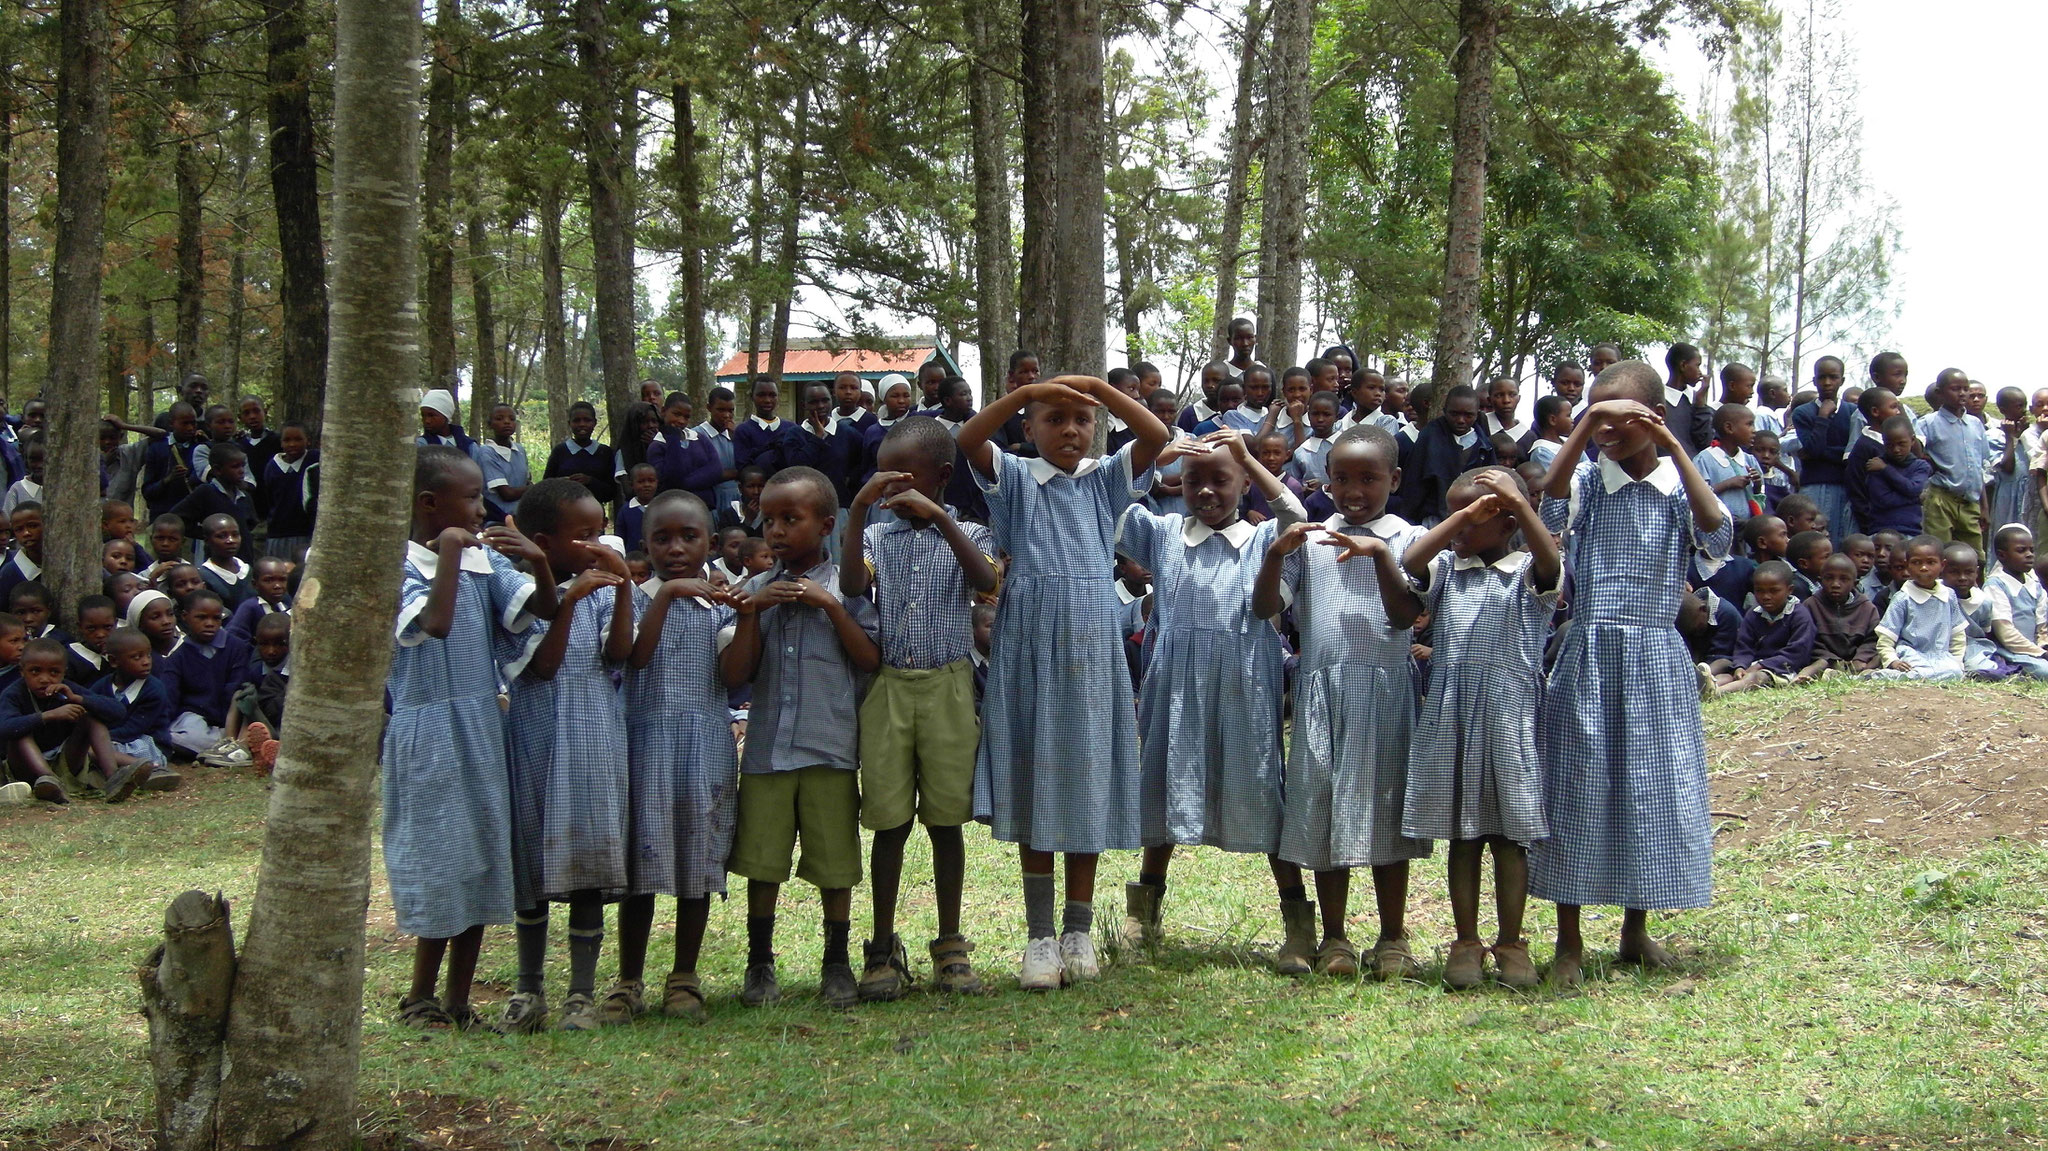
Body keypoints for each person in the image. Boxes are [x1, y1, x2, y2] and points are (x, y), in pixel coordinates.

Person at [959, 373, 1170, 990]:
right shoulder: (1016, 479)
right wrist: (1028, 393)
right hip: (1026, 641)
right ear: (1029, 428)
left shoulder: (1106, 480)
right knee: (1034, 777)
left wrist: (1099, 391)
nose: (1069, 430)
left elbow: (1155, 433)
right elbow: (967, 437)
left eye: (1081, 420)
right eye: (1053, 419)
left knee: (1084, 773)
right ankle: (1040, 938)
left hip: (1090, 644)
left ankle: (1079, 931)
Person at [1529, 360, 1731, 987]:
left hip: (1655, 657)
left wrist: (1674, 445)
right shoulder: (1588, 480)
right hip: (1589, 652)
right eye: (1595, 412)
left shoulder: (1676, 487)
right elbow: (1551, 500)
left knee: (1649, 787)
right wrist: (1584, 427)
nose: (1606, 426)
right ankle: (1568, 941)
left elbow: (1716, 533)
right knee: (1577, 785)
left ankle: (1635, 930)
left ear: (1655, 418)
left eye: (1621, 415)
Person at [1112, 431, 1302, 968]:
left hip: (1245, 689)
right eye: (1196, 481)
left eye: (1223, 480)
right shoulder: (1166, 533)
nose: (1207, 492)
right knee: (1165, 794)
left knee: (1262, 792)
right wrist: (1160, 459)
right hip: (1176, 689)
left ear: (1245, 482)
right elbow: (1113, 505)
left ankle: (1297, 923)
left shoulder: (1265, 538)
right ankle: (1143, 916)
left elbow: (1293, 515)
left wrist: (1247, 456)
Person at [384, 445, 558, 1030]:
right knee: (440, 859)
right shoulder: (399, 569)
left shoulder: (484, 563)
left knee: (484, 857)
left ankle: (458, 1002)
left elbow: (545, 607)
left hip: (483, 725)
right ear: (431, 505)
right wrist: (454, 552)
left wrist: (537, 561)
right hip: (427, 728)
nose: (482, 507)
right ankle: (419, 997)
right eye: (472, 497)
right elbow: (433, 625)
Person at [1252, 424, 1430, 980]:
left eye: (1369, 479)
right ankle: (1333, 937)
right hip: (1322, 690)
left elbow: (1406, 616)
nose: (1354, 491)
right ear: (1326, 482)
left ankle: (1393, 936)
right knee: (1324, 809)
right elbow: (1265, 609)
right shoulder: (1310, 537)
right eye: (1342, 479)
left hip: (1386, 688)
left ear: (1394, 480)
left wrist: (1378, 555)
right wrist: (1277, 556)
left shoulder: (1407, 538)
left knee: (1388, 809)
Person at [840, 418, 1000, 1000]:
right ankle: (882, 945)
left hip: (951, 686)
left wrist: (942, 520)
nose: (894, 491)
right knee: (888, 821)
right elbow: (854, 587)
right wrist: (857, 512)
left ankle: (950, 942)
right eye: (885, 479)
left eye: (906, 479)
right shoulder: (879, 538)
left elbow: (986, 581)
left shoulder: (970, 533)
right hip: (888, 688)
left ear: (943, 478)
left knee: (945, 821)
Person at [1388, 466, 1560, 989]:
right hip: (1453, 713)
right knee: (1463, 835)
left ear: (1509, 520)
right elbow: (1408, 560)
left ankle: (1511, 942)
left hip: (1509, 716)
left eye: (1477, 517)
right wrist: (1463, 516)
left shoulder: (1529, 570)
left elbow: (1553, 566)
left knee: (1510, 837)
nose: (1461, 528)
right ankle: (1465, 942)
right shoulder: (1446, 567)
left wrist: (1522, 504)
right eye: (1454, 514)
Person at [720, 466, 881, 1008]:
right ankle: (759, 963)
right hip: (767, 753)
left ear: (827, 525)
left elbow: (869, 659)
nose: (778, 532)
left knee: (835, 864)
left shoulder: (850, 587)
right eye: (769, 521)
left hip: (829, 749)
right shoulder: (755, 591)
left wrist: (830, 607)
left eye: (792, 519)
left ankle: (836, 962)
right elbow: (736, 675)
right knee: (763, 863)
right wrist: (749, 615)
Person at [494, 478, 636, 1034]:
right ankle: (528, 990)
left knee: (585, 858)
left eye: (599, 531)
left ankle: (580, 994)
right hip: (536, 732)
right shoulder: (514, 588)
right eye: (583, 535)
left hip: (595, 732)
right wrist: (569, 597)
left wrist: (622, 588)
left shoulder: (603, 587)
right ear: (541, 541)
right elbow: (544, 667)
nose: (596, 543)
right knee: (531, 859)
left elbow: (620, 652)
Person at [611, 491, 741, 1023]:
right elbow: (634, 657)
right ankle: (628, 980)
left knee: (697, 860)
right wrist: (665, 596)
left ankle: (684, 976)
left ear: (710, 542)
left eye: (689, 537)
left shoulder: (718, 605)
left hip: (705, 746)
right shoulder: (634, 600)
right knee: (639, 867)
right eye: (662, 539)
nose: (676, 549)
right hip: (644, 746)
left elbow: (735, 675)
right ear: (645, 545)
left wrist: (741, 611)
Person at [1, 637, 149, 804]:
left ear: (64, 672)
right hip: (25, 769)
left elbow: (118, 712)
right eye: (35, 671)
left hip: (66, 764)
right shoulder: (13, 694)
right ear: (22, 671)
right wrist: (49, 715)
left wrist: (78, 698)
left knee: (89, 717)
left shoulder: (67, 689)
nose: (45, 679)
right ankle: (49, 782)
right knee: (19, 730)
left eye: (54, 672)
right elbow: (4, 728)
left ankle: (113, 778)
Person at [158, 588, 254, 768]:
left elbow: (237, 685)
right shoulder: (178, 657)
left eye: (216, 618)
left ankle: (224, 748)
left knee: (242, 703)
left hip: (229, 718)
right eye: (201, 618)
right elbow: (169, 697)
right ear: (185, 617)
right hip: (194, 717)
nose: (209, 623)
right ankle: (219, 750)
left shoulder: (237, 648)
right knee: (189, 733)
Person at [89, 628, 179, 791]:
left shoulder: (154, 689)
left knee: (94, 751)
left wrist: (101, 740)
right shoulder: (102, 686)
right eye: (136, 657)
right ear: (114, 661)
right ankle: (129, 774)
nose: (146, 661)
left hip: (148, 743)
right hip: (116, 742)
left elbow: (133, 729)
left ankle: (153, 768)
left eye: (148, 655)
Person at [1868, 535, 1966, 682]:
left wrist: (1958, 661)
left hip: (1941, 655)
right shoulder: (1903, 599)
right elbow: (1886, 638)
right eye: (1916, 563)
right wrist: (1892, 661)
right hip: (1911, 654)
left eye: (1931, 562)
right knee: (1919, 672)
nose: (1924, 568)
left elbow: (1957, 634)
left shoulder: (1949, 595)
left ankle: (1915, 677)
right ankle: (1882, 676)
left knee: (1954, 672)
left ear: (1942, 565)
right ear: (1908, 566)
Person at [1393, 385, 1493, 526]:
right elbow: (1413, 483)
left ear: (1477, 414)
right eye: (1454, 414)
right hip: (1433, 518)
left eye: (1468, 415)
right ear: (1445, 411)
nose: (1461, 420)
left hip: (1473, 518)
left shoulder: (1484, 445)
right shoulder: (1429, 438)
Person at [1712, 562, 1814, 694]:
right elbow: (1744, 645)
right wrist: (1740, 666)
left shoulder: (1799, 615)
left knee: (1756, 677)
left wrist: (1761, 665)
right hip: (1753, 665)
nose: (1766, 596)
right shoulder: (1754, 614)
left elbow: (1797, 652)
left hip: (1782, 669)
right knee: (1728, 674)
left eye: (1774, 591)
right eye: (1759, 591)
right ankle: (1707, 687)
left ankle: (1718, 693)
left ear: (1789, 590)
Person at [1914, 368, 1988, 547]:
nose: (1962, 393)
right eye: (1955, 389)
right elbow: (1916, 455)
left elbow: (1979, 467)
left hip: (1970, 501)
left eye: (1965, 388)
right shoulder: (1928, 423)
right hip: (1941, 498)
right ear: (1940, 393)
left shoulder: (1976, 424)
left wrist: (1984, 507)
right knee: (1938, 550)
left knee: (1975, 556)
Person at [1789, 357, 1856, 542]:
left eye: (1833, 377)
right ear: (1814, 380)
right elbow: (1815, 448)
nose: (1827, 383)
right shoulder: (1803, 412)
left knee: (1842, 540)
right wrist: (1823, 416)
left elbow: (1853, 453)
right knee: (1815, 540)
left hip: (1845, 485)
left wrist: (1818, 453)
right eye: (1822, 377)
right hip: (1815, 485)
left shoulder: (1853, 412)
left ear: (1842, 380)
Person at [1796, 553, 1880, 680]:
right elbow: (1809, 641)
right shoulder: (1811, 605)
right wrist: (1833, 660)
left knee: (1880, 656)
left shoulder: (1866, 607)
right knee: (1819, 663)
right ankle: (1808, 676)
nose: (1836, 584)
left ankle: (1861, 674)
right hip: (1826, 660)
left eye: (1844, 579)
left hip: (1858, 662)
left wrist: (1860, 658)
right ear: (1820, 580)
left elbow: (1873, 640)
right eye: (1829, 578)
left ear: (1855, 583)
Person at [1984, 524, 2048, 677]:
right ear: (2002, 555)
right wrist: (2039, 653)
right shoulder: (1996, 585)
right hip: (2010, 650)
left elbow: (2042, 626)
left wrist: (2043, 646)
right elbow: (2005, 633)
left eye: (2032, 550)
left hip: (2035, 649)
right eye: (2021, 550)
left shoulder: (2034, 585)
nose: (2029, 555)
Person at [647, 393, 723, 507]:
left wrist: (682, 484)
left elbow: (716, 470)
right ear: (663, 411)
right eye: (677, 414)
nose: (681, 421)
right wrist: (673, 439)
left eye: (686, 417)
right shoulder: (657, 446)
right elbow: (671, 479)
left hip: (704, 508)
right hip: (674, 510)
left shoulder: (698, 438)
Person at [1693, 404, 1761, 531]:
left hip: (1745, 530)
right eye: (1749, 424)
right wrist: (1728, 484)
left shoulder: (1749, 460)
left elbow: (1759, 496)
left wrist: (1757, 484)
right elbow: (1697, 497)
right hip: (1717, 530)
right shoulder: (1705, 459)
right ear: (1729, 428)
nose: (1754, 430)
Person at [543, 400, 621, 510]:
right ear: (569, 423)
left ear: (594, 422)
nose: (582, 424)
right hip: (564, 513)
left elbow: (611, 492)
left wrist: (590, 481)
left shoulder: (604, 452)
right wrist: (563, 483)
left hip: (594, 513)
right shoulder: (560, 451)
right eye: (577, 420)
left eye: (587, 420)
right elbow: (546, 486)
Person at [257, 422, 318, 562]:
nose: (292, 444)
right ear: (281, 442)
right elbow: (270, 498)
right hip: (279, 533)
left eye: (298, 439)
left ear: (307, 440)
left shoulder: (314, 460)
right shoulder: (272, 467)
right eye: (287, 440)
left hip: (305, 533)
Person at [469, 403, 531, 526]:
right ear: (490, 424)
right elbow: (506, 494)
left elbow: (526, 482)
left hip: (520, 517)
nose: (507, 422)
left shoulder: (519, 450)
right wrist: (533, 489)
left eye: (511, 419)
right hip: (497, 518)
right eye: (499, 418)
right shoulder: (486, 452)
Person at [733, 378, 797, 477]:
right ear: (751, 397)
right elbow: (743, 468)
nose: (767, 400)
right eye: (761, 395)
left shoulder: (791, 429)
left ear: (778, 397)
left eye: (772, 395)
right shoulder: (743, 431)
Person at [192, 514, 254, 610]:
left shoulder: (248, 570)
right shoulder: (204, 576)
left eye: (235, 535)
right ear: (207, 540)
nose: (230, 540)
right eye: (221, 536)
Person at [226, 556, 293, 644]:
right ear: (255, 584)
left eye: (282, 580)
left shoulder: (284, 606)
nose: (277, 585)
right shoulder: (250, 607)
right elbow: (234, 638)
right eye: (268, 580)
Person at [1289, 393, 1342, 489]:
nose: (1320, 419)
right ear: (1308, 416)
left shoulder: (1346, 446)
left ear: (1336, 417)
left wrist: (1325, 487)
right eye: (1315, 414)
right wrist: (1304, 490)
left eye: (1326, 414)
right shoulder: (1301, 452)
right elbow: (1295, 485)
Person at [414, 388, 476, 454]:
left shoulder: (470, 447)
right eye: (423, 415)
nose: (427, 421)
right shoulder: (420, 445)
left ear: (445, 416)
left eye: (431, 415)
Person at [616, 463, 659, 553]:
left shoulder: (662, 508)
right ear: (631, 485)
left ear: (657, 482)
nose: (647, 485)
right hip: (632, 561)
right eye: (641, 481)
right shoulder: (625, 511)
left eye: (651, 481)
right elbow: (620, 538)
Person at [716, 466, 768, 536]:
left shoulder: (771, 514)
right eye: (750, 486)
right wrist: (748, 521)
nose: (756, 492)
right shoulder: (730, 515)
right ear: (740, 488)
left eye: (761, 486)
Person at [1785, 530, 1832, 601]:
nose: (1832, 561)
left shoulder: (1818, 580)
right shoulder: (1798, 589)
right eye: (1826, 557)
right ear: (1804, 564)